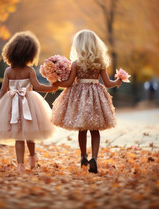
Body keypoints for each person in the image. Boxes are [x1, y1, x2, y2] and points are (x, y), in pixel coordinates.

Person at [0, 31, 59, 174]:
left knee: (18, 135)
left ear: (11, 51)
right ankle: (32, 158)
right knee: (30, 132)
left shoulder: (8, 71)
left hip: (11, 104)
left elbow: (3, 90)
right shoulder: (29, 70)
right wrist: (52, 87)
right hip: (28, 104)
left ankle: (20, 165)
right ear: (30, 54)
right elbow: (37, 87)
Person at [52, 29, 122, 173]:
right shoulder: (100, 63)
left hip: (80, 97)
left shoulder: (76, 64)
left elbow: (69, 82)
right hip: (96, 97)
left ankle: (83, 156)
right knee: (95, 129)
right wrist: (118, 81)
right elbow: (108, 83)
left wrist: (56, 82)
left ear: (79, 46)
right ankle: (94, 158)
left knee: (82, 129)